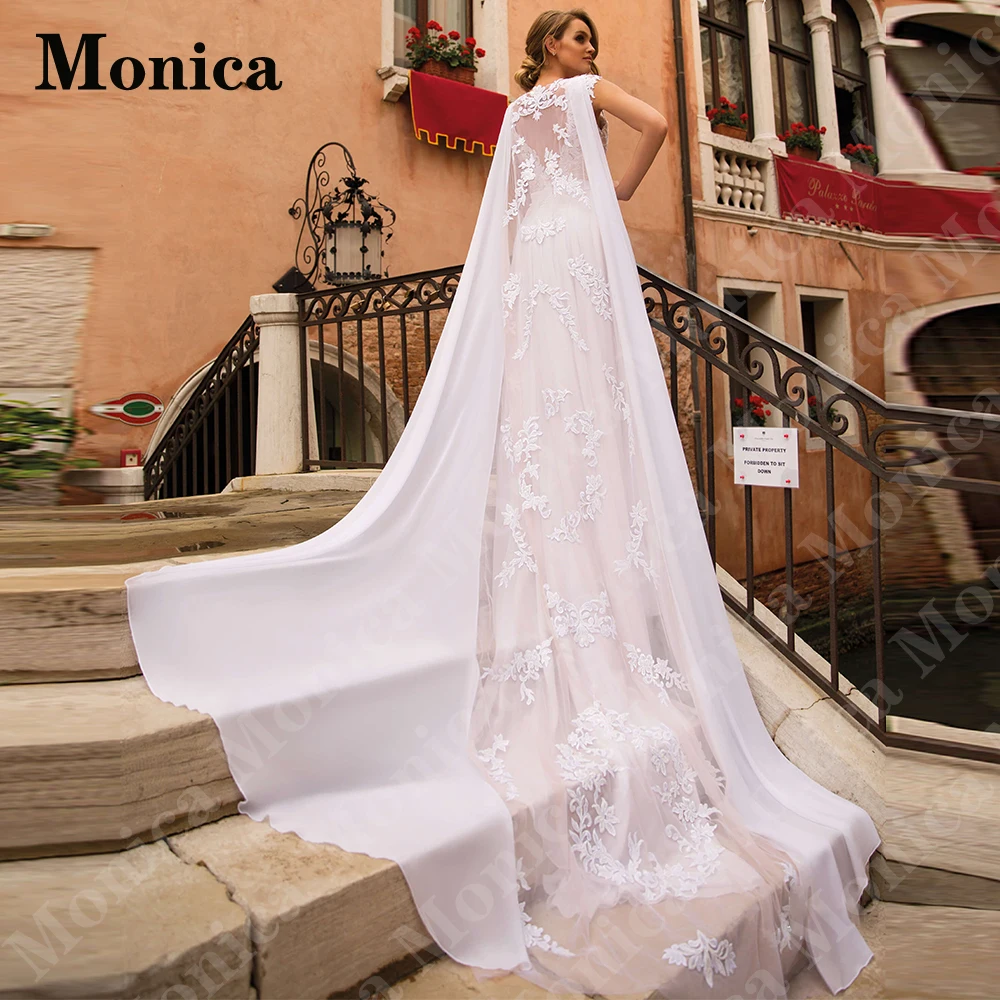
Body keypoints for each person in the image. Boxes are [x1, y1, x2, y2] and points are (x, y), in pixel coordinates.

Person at [126, 8, 882, 998]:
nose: (588, 47)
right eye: (576, 36)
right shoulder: (578, 97)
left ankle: (561, 546)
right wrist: (617, 188)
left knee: (548, 410)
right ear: (548, 48)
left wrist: (547, 237)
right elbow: (659, 123)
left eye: (589, 38)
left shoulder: (518, 111)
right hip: (579, 247)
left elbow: (507, 208)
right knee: (590, 409)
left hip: (536, 260)